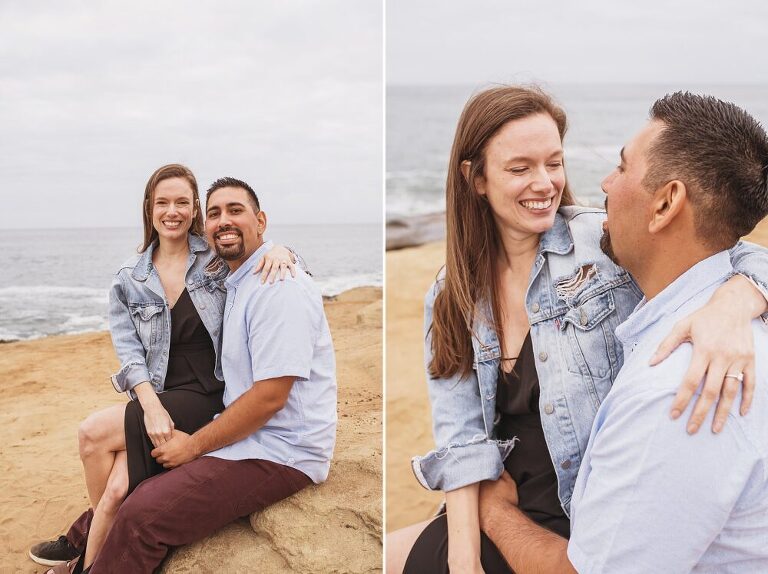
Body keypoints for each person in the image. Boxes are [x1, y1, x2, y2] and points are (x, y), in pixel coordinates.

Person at [386, 86, 768, 574]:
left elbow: (723, 245)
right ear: (476, 178)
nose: (544, 183)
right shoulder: (451, 292)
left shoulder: (605, 243)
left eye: (555, 162)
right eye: (520, 168)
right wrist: (464, 556)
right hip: (501, 502)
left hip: (596, 506)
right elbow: (460, 437)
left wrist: (736, 301)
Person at [28, 165, 297, 572]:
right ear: (149, 209)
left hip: (209, 393)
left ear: (194, 212)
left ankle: (81, 545)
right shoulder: (128, 278)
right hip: (159, 394)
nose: (172, 211)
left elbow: (257, 254)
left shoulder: (215, 260)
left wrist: (284, 250)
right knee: (117, 487)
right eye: (163, 202)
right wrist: (150, 405)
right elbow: (130, 354)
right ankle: (82, 561)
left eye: (182, 203)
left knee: (92, 434)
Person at [76, 176, 336, 572]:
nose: (223, 221)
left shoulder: (277, 285)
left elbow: (270, 398)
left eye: (235, 211)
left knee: (143, 514)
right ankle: (81, 543)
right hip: (244, 434)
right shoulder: (233, 278)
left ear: (261, 221)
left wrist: (194, 445)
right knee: (137, 483)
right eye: (215, 213)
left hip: (284, 450)